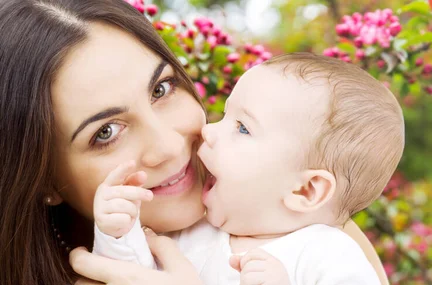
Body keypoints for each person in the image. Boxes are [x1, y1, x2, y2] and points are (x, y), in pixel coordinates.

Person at [0, 0, 389, 284]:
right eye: (106, 132)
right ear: (43, 178)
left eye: (161, 88)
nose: (169, 146)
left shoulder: (307, 231)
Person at [92, 53, 405, 285]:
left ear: (304, 190)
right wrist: (118, 233)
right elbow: (130, 277)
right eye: (225, 115)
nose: (209, 131)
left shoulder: (327, 254)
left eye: (242, 128)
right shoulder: (191, 233)